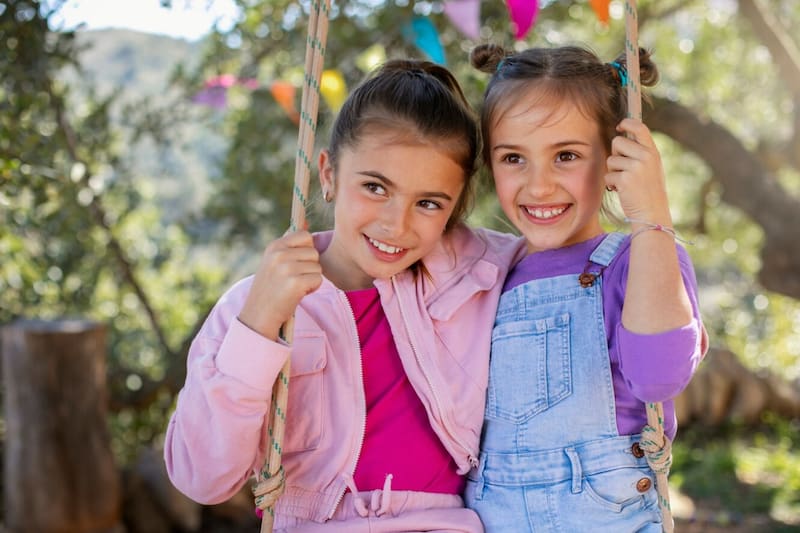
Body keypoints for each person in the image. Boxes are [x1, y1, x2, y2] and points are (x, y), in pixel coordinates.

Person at [164, 58, 526, 532]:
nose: (396, 224)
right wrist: (257, 327)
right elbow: (201, 477)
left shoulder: (473, 271)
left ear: (454, 208)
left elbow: (571, 262)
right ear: (329, 174)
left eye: (428, 203)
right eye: (376, 187)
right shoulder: (253, 308)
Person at [463, 44, 709, 532]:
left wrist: (652, 217)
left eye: (566, 156)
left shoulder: (638, 260)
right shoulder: (485, 272)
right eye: (514, 157)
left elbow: (659, 377)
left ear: (614, 160)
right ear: (490, 164)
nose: (538, 186)